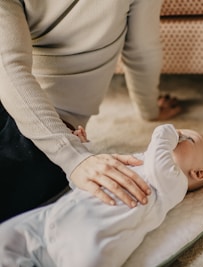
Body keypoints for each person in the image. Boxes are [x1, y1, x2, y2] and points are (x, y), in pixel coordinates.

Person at [0, 0, 182, 222]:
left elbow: (142, 52)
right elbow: (8, 68)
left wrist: (72, 156)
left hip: (42, 136)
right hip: (45, 133)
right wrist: (74, 157)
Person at [0, 124, 203, 267]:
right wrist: (83, 153)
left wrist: (169, 131)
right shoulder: (141, 161)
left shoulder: (174, 183)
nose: (178, 136)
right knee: (5, 237)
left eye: (188, 138)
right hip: (52, 219)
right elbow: (92, 180)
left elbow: (160, 149)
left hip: (89, 239)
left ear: (197, 173)